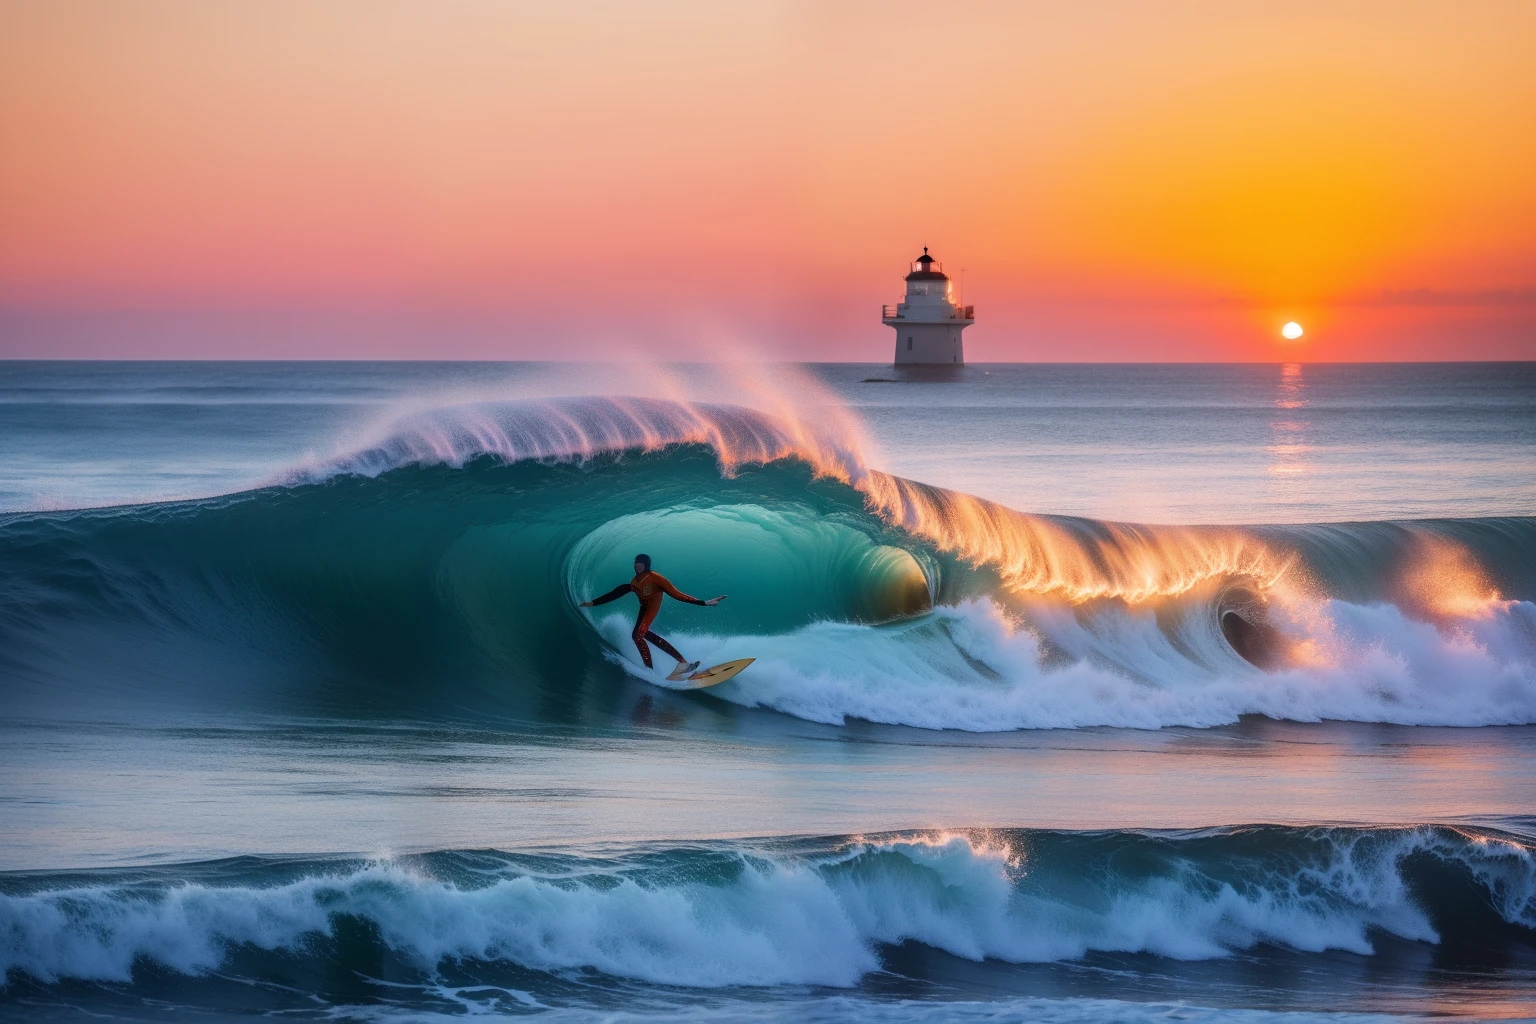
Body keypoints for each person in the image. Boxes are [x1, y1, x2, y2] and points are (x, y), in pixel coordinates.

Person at [580, 554, 726, 675]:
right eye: (636, 563)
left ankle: (650, 671)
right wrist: (593, 603)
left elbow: (677, 595)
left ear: (646, 565)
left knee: (637, 636)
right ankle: (683, 663)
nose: (637, 565)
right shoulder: (635, 581)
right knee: (643, 635)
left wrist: (704, 602)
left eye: (640, 563)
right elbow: (617, 593)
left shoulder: (656, 578)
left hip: (652, 608)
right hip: (644, 608)